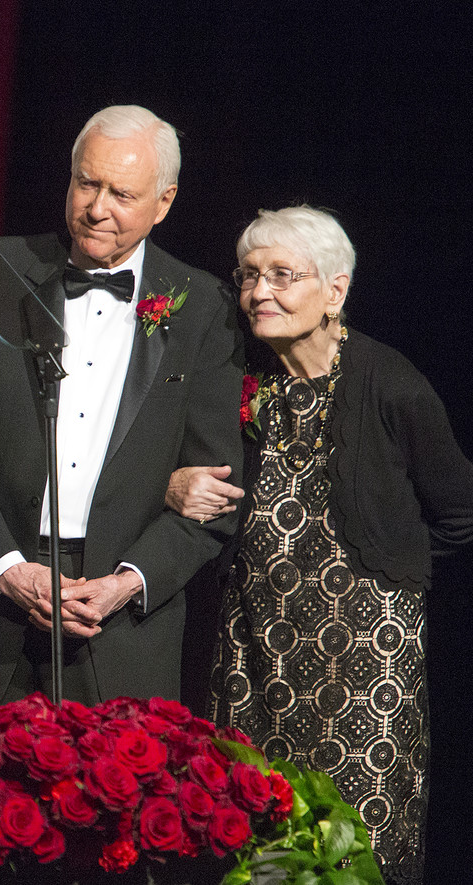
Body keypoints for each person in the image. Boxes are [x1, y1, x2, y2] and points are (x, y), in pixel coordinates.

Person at [0, 104, 244, 713]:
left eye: (122, 194)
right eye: (87, 183)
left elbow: (214, 495)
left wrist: (128, 583)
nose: (97, 208)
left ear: (163, 203)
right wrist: (9, 571)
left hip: (121, 626)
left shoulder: (202, 306)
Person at [168, 206, 473, 884]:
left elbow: (461, 511)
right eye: (249, 275)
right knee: (251, 843)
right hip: (254, 649)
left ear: (335, 290)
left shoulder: (390, 382)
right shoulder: (237, 377)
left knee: (352, 853)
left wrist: (389, 568)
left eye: (282, 275)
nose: (259, 291)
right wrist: (172, 484)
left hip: (364, 665)